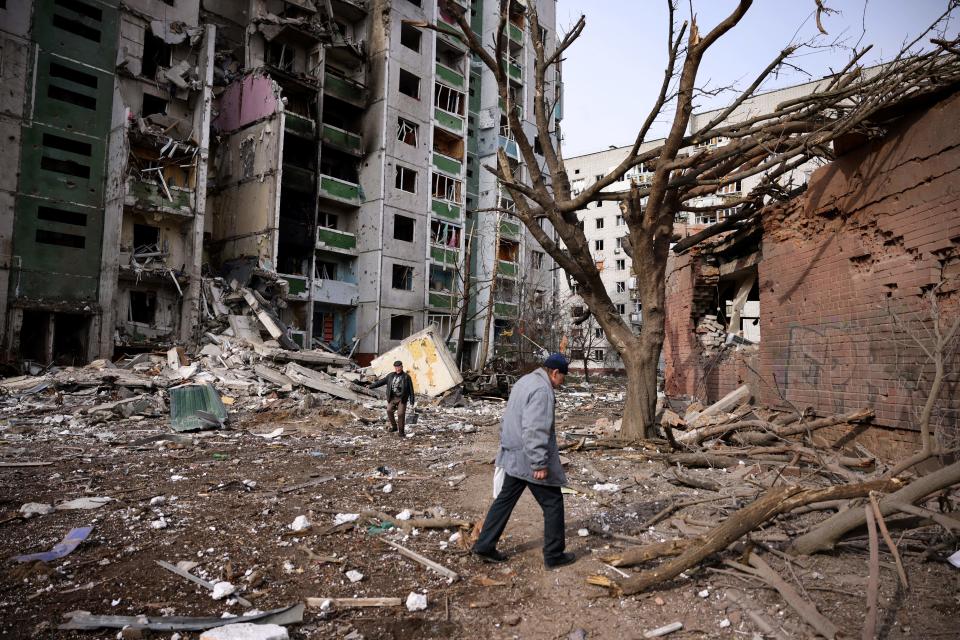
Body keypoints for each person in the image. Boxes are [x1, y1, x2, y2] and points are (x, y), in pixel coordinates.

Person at [471, 353, 575, 569]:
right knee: (553, 502)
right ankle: (554, 555)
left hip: (514, 453)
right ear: (555, 373)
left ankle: (484, 545)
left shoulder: (525, 381)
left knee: (504, 500)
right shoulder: (542, 390)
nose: (562, 382)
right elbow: (535, 428)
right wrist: (539, 463)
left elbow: (510, 417)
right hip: (528, 458)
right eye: (563, 377)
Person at [369, 360, 416, 436]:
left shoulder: (406, 377)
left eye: (399, 367)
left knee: (400, 414)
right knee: (389, 410)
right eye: (396, 367)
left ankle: (401, 432)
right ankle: (394, 427)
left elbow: (411, 390)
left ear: (402, 367)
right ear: (394, 367)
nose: (398, 368)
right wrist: (371, 386)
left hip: (402, 398)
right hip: (392, 397)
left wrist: (412, 401)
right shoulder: (390, 376)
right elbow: (381, 382)